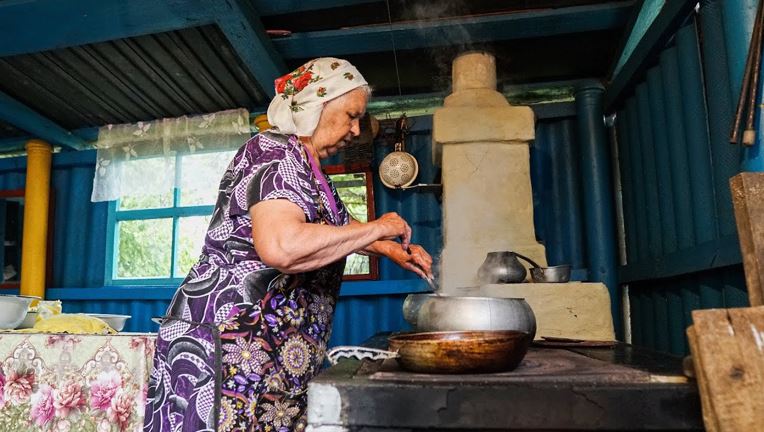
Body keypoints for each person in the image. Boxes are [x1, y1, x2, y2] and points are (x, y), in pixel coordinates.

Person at [143, 58, 433, 432]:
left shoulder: (310, 170)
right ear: (316, 102)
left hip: (269, 350)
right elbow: (283, 246)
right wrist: (378, 227)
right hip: (232, 343)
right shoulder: (274, 152)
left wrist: (390, 247)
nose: (356, 129)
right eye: (351, 115)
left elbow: (338, 229)